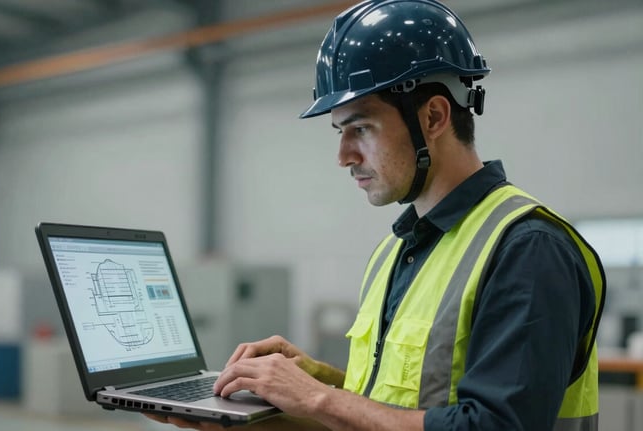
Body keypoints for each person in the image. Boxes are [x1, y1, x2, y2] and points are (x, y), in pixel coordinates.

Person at [147, 0, 606, 430]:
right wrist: (299, 390)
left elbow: (495, 423)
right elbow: (402, 407)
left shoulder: (527, 249)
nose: (344, 156)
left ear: (433, 117)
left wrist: (318, 398)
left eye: (360, 128)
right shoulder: (396, 250)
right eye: (339, 132)